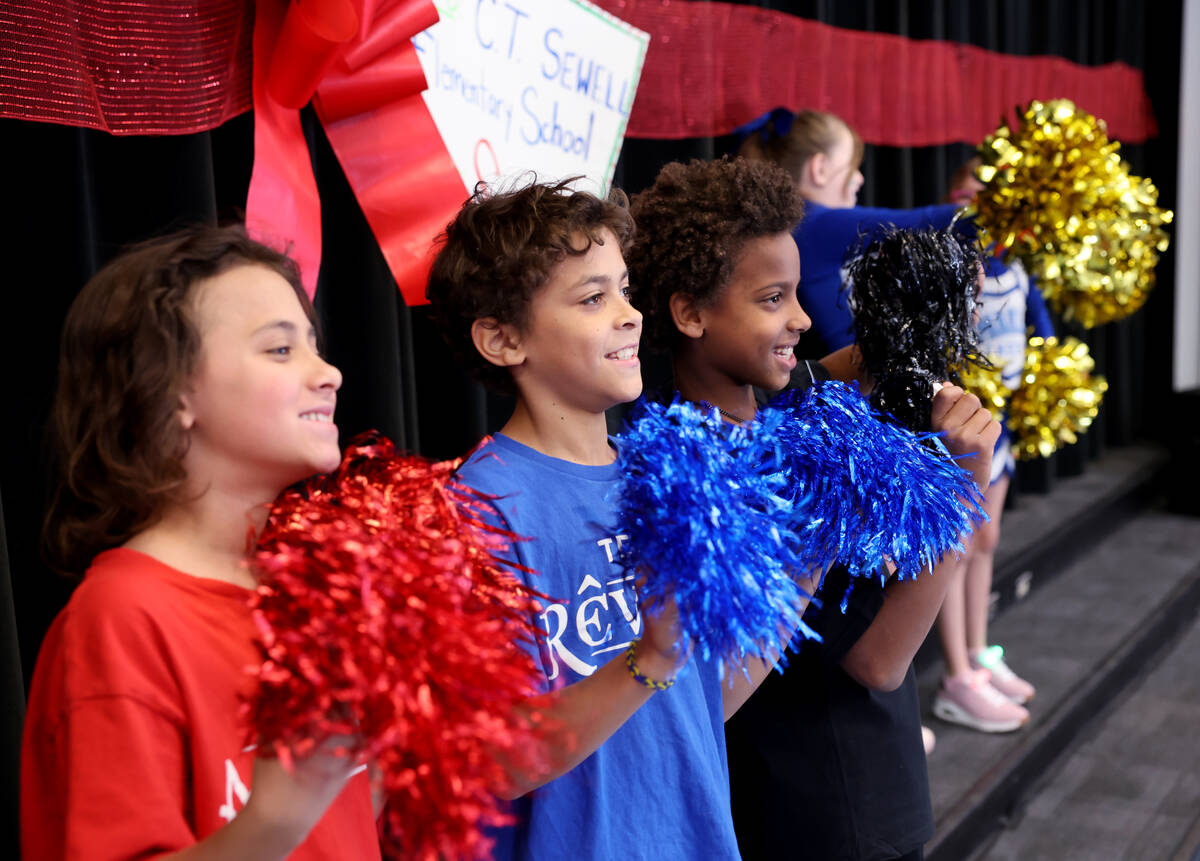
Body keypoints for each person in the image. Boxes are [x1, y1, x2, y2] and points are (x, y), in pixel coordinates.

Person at [626, 156, 1001, 861]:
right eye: (773, 298)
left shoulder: (788, 404)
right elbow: (881, 663)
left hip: (835, 793)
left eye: (797, 293)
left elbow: (843, 363)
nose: (802, 316)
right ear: (689, 311)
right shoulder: (702, 476)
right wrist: (964, 486)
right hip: (827, 809)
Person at [425, 177, 791, 861]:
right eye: (593, 298)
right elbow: (493, 760)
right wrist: (644, 658)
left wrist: (803, 561)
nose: (630, 314)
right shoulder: (475, 512)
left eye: (623, 289)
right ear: (502, 340)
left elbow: (701, 697)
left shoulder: (667, 477)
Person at [22, 226, 381, 860]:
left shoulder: (314, 596)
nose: (328, 373)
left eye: (314, 346)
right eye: (279, 349)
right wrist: (274, 818)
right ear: (171, 390)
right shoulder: (119, 620)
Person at [930, 159, 1055, 731]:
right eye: (970, 197)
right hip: (963, 433)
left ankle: (979, 653)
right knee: (955, 552)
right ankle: (957, 677)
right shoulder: (954, 270)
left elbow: (1042, 329)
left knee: (987, 541)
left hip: (1000, 432)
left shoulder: (1017, 269)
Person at [739, 107, 966, 354]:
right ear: (820, 168)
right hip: (839, 386)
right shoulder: (814, 224)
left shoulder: (788, 223)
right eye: (852, 166)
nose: (859, 179)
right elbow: (929, 222)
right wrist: (998, 204)